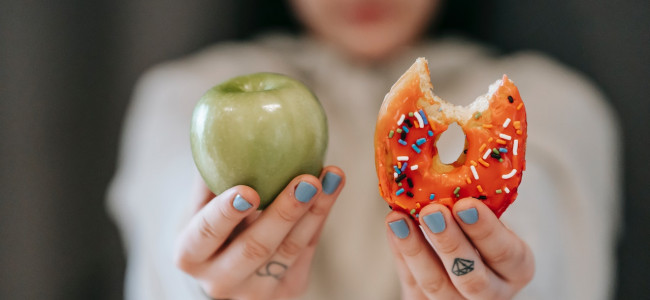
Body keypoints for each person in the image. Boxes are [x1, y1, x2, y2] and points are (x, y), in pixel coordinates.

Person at [107, 0, 620, 299]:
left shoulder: (556, 99)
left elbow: (546, 226)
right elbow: (168, 222)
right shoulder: (181, 94)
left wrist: (505, 279)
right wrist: (205, 279)